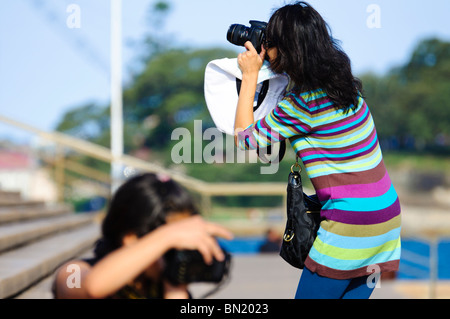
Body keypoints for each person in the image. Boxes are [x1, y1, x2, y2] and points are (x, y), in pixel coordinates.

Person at [234, 1, 401, 299]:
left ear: (284, 50)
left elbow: (246, 139)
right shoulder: (347, 89)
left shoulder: (302, 105)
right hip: (384, 218)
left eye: (269, 43)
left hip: (350, 224)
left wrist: (249, 75)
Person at [53, 173, 233, 299]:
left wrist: (176, 290)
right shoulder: (73, 272)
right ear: (131, 239)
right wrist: (168, 236)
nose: (179, 253)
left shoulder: (162, 287)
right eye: (171, 247)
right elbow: (93, 288)